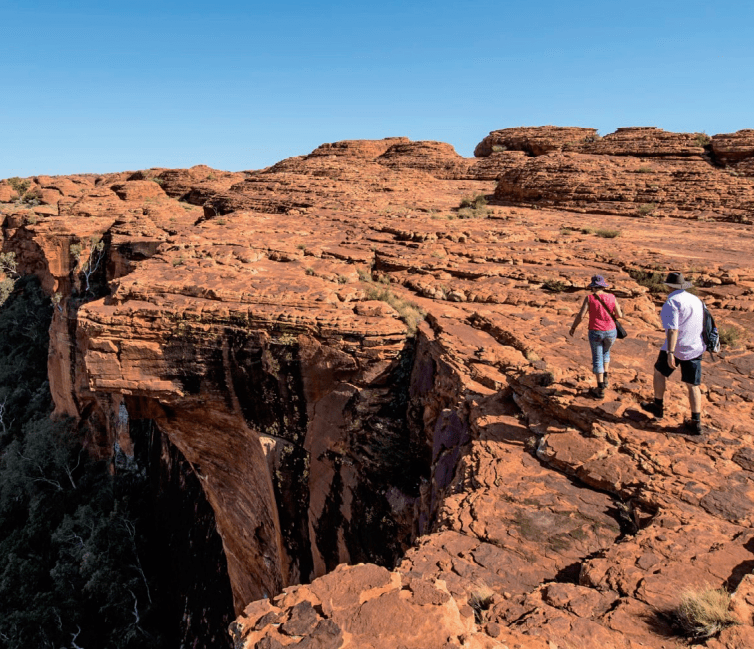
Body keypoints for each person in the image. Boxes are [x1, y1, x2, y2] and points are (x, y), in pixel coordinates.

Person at [641, 272, 705, 434]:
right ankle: (696, 422)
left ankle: (658, 406)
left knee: (659, 372)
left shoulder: (672, 302)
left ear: (669, 286)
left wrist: (670, 352)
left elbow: (672, 329)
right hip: (696, 346)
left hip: (677, 347)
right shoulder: (695, 299)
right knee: (693, 385)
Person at [569, 275, 623, 399]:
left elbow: (581, 315)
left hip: (596, 331)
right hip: (611, 331)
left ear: (593, 287)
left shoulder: (589, 298)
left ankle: (600, 389)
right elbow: (619, 315)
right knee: (606, 352)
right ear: (603, 286)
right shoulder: (612, 297)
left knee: (597, 358)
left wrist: (573, 327)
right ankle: (605, 377)